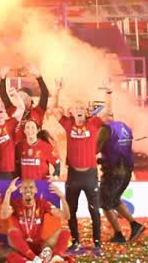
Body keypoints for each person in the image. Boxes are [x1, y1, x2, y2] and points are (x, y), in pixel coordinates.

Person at [57, 102, 104, 254]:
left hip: (90, 175)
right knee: (71, 210)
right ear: (71, 112)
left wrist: (108, 93)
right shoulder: (68, 124)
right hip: (73, 175)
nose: (79, 110)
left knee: (94, 211)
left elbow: (108, 110)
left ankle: (97, 243)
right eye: (76, 108)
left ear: (86, 112)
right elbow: (54, 110)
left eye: (81, 108)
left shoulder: (94, 123)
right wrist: (57, 92)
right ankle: (75, 241)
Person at [98, 107, 144, 244]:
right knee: (115, 200)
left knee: (104, 203)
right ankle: (135, 225)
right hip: (127, 170)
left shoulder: (105, 129)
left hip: (113, 172)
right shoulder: (124, 126)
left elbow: (94, 148)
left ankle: (118, 234)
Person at [0, 178, 71, 263]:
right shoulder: (15, 203)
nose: (28, 190)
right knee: (12, 231)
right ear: (20, 190)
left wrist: (62, 197)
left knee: (65, 231)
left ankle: (56, 257)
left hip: (39, 244)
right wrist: (8, 193)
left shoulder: (42, 203)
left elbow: (66, 216)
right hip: (22, 244)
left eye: (31, 187)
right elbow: (3, 216)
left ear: (36, 190)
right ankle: (34, 259)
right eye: (25, 188)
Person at [0, 66, 50, 137]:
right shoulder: (12, 110)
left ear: (30, 98)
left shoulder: (38, 111)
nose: (19, 99)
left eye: (22, 96)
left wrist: (39, 77)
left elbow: (45, 94)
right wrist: (2, 78)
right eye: (18, 96)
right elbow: (3, 95)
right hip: (16, 146)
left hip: (34, 145)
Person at [0, 100, 22, 180]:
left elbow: (21, 109)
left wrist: (15, 95)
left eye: (2, 106)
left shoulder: (11, 123)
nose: (0, 107)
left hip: (8, 168)